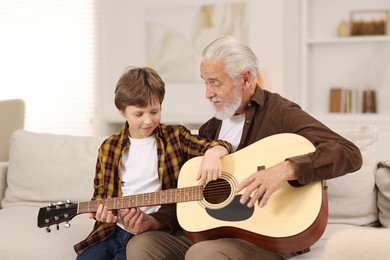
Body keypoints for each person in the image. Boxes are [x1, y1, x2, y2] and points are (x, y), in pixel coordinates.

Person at [182, 35, 363, 260]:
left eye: (215, 82)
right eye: (205, 82)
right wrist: (155, 219)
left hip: (274, 235)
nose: (207, 93)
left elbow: (349, 153)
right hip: (222, 230)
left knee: (202, 254)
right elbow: (192, 194)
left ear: (245, 78)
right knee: (146, 243)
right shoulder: (210, 129)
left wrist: (287, 169)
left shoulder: (280, 113)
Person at [74, 66, 232, 259]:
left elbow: (221, 145)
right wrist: (103, 213)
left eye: (154, 111)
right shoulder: (109, 147)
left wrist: (215, 152)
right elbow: (100, 196)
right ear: (122, 112)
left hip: (153, 233)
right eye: (139, 114)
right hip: (112, 232)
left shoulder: (176, 137)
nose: (148, 121)